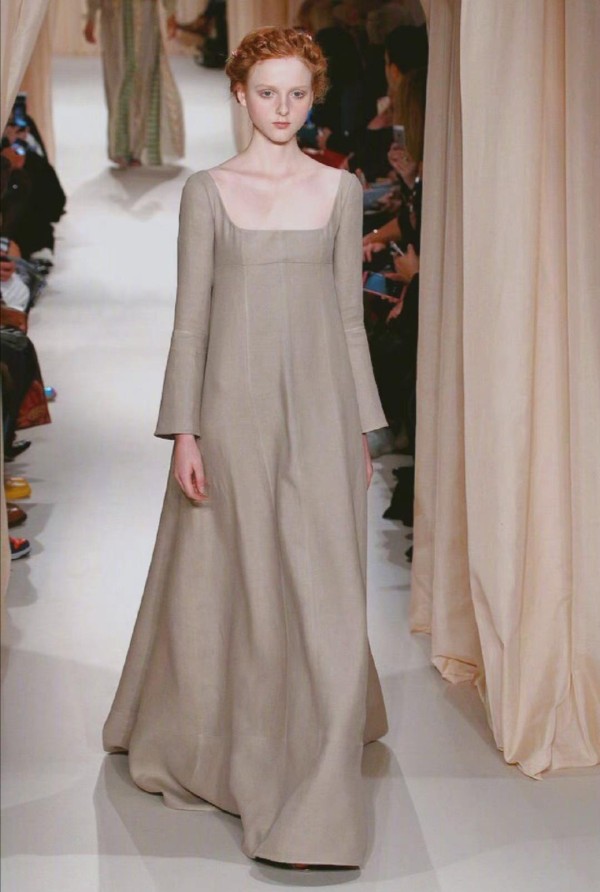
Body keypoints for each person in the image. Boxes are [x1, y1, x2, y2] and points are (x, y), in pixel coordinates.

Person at [102, 26, 388, 871]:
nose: (283, 109)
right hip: (231, 413)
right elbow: (191, 320)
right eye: (268, 93)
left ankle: (320, 788)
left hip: (321, 412)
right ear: (239, 94)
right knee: (244, 581)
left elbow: (349, 320)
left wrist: (363, 428)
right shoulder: (208, 193)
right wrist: (184, 430)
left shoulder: (341, 189)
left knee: (327, 586)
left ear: (313, 96)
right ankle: (243, 748)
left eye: (297, 94)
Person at [84, 0, 185, 167]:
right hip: (114, 19)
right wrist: (91, 17)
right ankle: (122, 147)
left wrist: (171, 13)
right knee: (119, 81)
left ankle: (135, 148)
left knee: (142, 78)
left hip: (144, 16)